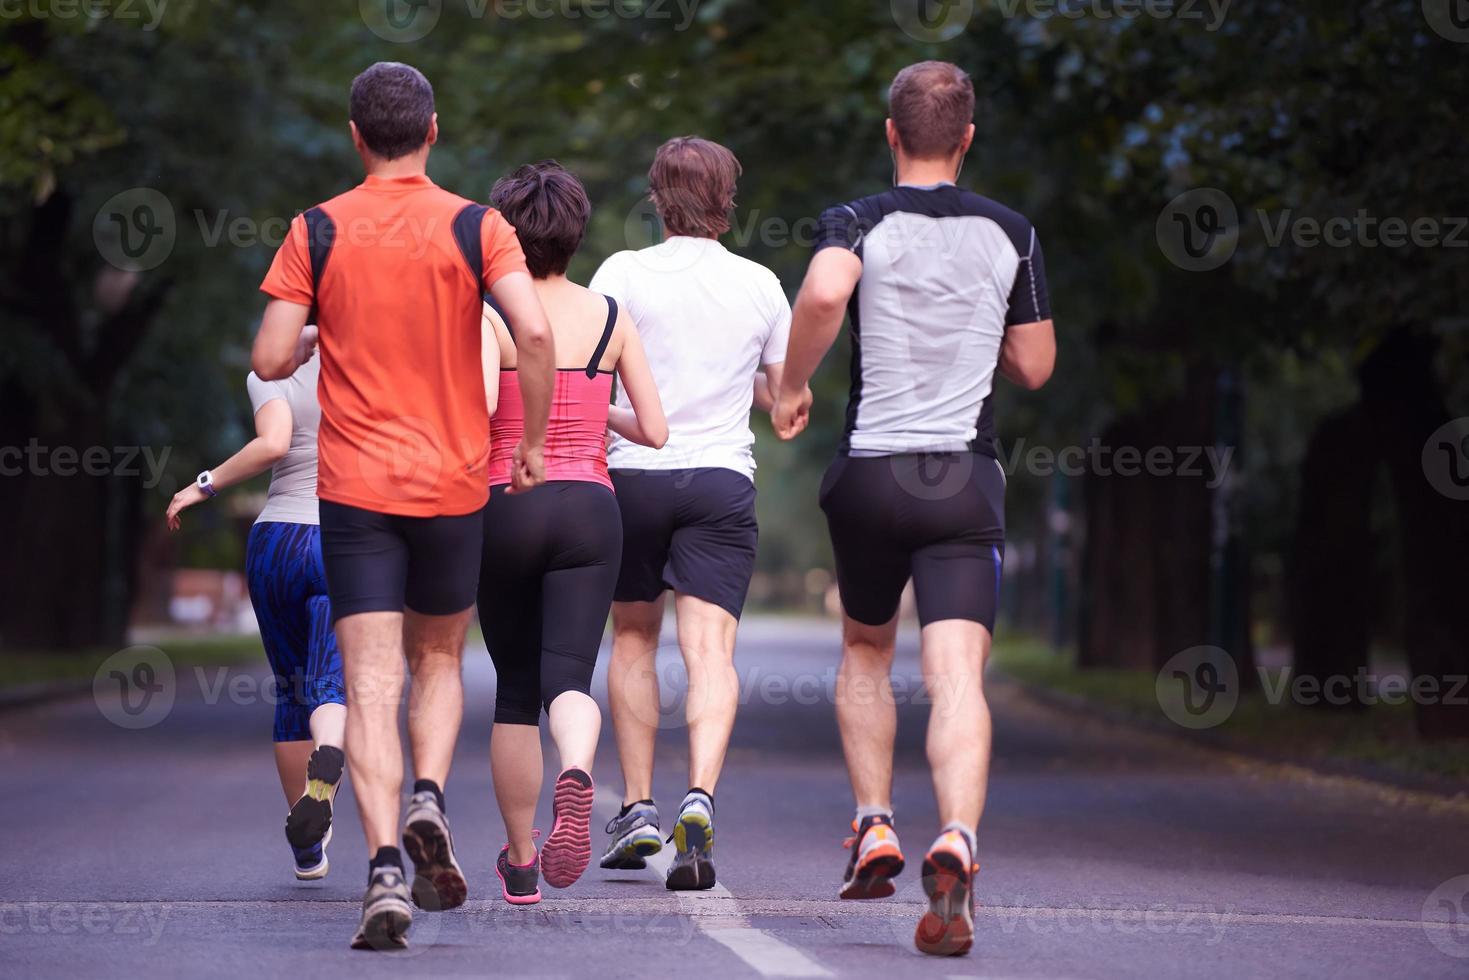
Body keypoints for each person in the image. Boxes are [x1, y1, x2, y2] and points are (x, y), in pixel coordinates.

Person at [251, 62, 557, 951]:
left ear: (354, 136)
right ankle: (430, 793)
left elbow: (272, 359)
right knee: (437, 659)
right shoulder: (478, 226)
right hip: (453, 485)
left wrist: (323, 323)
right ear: (432, 130)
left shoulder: (317, 229)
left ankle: (384, 863)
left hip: (354, 493)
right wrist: (531, 442)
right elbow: (532, 331)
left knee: (370, 679)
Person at [772, 61, 1056, 957]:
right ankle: (958, 837)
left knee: (864, 647)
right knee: (957, 677)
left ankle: (874, 822)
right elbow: (1035, 365)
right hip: (963, 480)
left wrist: (788, 383)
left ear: (890, 133)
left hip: (873, 477)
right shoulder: (1013, 232)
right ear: (966, 139)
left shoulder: (856, 219)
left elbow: (822, 293)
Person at [589, 137, 793, 891]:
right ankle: (699, 795)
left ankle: (639, 807)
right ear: (726, 197)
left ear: (656, 196)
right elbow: (778, 398)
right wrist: (779, 397)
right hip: (718, 481)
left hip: (634, 477)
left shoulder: (621, 273)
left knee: (634, 640)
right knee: (710, 653)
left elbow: (594, 370)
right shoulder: (762, 283)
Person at [475, 161, 667, 906]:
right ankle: (579, 770)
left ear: (504, 237)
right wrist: (593, 413)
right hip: (590, 508)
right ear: (577, 235)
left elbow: (465, 420)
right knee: (568, 681)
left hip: (506, 502)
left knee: (514, 693)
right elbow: (653, 430)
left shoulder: (489, 317)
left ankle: (521, 862)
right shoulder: (612, 317)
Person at [165, 327, 348, 882]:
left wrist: (203, 485)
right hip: (345, 540)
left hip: (277, 543)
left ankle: (307, 847)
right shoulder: (372, 364)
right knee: (331, 684)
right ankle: (327, 771)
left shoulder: (269, 370)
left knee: (292, 688)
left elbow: (273, 445)